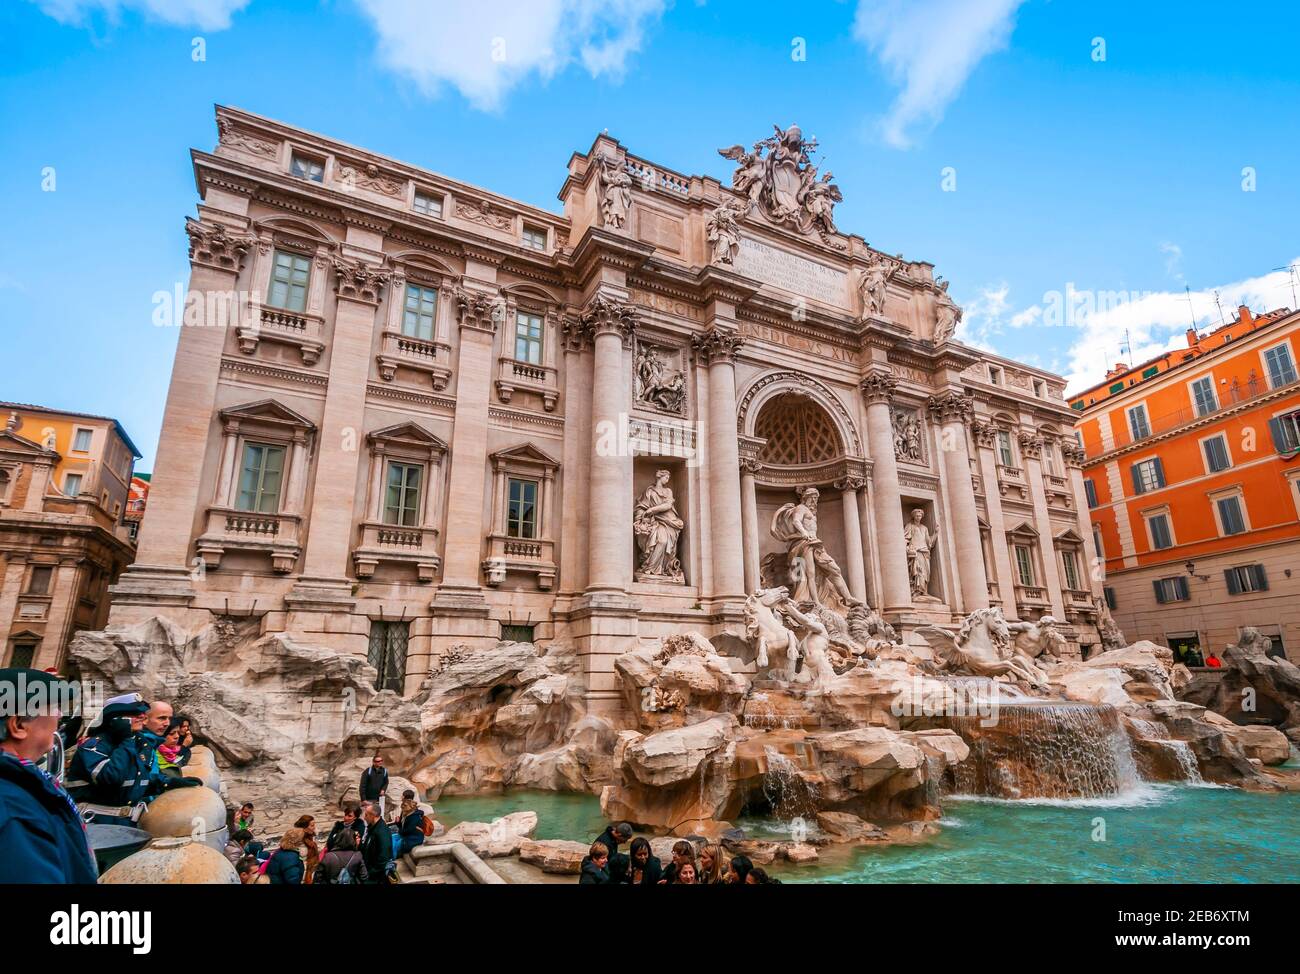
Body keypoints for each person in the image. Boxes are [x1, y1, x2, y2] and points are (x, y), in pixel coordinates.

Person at [0, 667, 98, 884]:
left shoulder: (23, 787)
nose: (60, 716)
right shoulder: (15, 812)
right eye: (54, 707)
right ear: (18, 725)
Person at [67, 693, 199, 825]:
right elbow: (111, 777)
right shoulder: (94, 747)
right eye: (134, 714)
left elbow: (139, 779)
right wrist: (127, 739)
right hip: (94, 824)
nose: (142, 716)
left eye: (142, 712)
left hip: (125, 824)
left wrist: (169, 783)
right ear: (115, 719)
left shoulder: (139, 744)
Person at [359, 800, 393, 884]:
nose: (364, 817)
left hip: (375, 876)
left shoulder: (382, 832)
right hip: (367, 867)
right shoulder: (372, 827)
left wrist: (371, 872)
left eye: (366, 815)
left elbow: (383, 856)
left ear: (373, 815)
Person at [396, 791, 426, 857]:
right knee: (392, 838)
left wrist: (399, 830)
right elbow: (402, 827)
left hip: (414, 839)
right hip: (407, 836)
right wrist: (397, 822)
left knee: (395, 844)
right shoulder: (405, 811)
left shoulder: (414, 816)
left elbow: (408, 830)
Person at [294, 815, 320, 884]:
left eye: (314, 825)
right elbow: (303, 863)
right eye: (312, 825)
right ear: (304, 828)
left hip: (311, 869)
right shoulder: (300, 843)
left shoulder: (310, 836)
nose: (314, 828)